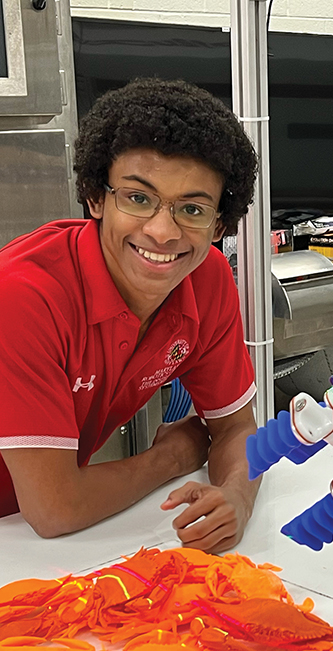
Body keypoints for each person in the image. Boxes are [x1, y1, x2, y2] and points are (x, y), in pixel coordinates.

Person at [0, 78, 261, 553]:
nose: (163, 232)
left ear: (219, 226)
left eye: (192, 209)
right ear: (96, 198)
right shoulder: (22, 297)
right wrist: (169, 457)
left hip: (29, 541)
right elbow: (56, 507)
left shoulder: (207, 278)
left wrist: (235, 498)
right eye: (138, 199)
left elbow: (236, 427)